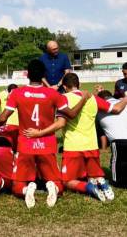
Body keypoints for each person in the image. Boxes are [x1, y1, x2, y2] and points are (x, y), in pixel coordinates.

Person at [0, 59, 88, 208]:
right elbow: (70, 114)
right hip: (47, 144)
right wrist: (83, 99)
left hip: (26, 143)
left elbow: (3, 118)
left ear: (27, 74)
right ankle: (52, 186)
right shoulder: (53, 94)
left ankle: (26, 189)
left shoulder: (17, 93)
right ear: (44, 75)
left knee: (17, 185)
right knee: (58, 183)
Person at [28, 74, 127, 202]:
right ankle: (100, 181)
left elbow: (61, 123)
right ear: (79, 85)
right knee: (93, 175)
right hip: (92, 146)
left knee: (66, 181)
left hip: (73, 147)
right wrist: (125, 98)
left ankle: (89, 188)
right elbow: (117, 108)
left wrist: (39, 133)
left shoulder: (63, 98)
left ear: (64, 86)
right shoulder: (92, 98)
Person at [96, 90, 127, 187]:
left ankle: (116, 181)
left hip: (118, 141)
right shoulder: (122, 102)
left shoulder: (100, 107)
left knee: (116, 161)